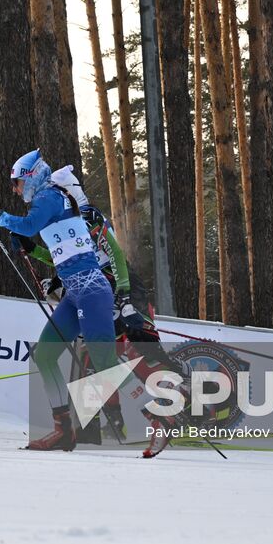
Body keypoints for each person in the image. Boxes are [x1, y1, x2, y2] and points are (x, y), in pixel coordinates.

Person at [0, 150, 149, 453]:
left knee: (105, 364)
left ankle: (160, 409)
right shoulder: (52, 200)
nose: (14, 189)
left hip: (92, 291)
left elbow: (27, 225)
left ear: (30, 177)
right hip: (74, 292)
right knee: (45, 356)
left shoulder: (50, 197)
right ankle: (63, 429)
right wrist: (29, 247)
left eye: (16, 182)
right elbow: (61, 254)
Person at [43, 165, 188, 450]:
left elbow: (114, 255)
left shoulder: (87, 216)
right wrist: (57, 280)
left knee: (139, 347)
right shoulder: (67, 220)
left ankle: (175, 398)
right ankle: (105, 422)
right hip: (99, 294)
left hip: (124, 290)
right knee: (96, 356)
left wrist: (124, 300)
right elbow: (74, 261)